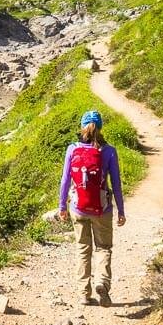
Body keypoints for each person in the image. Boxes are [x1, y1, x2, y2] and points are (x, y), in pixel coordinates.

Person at [57, 110, 126, 306]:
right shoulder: (109, 151)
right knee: (103, 247)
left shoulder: (72, 149)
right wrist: (121, 211)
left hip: (78, 207)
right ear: (101, 127)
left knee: (82, 248)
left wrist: (62, 206)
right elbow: (116, 183)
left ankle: (84, 294)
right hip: (102, 208)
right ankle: (102, 282)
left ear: (82, 126)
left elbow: (65, 180)